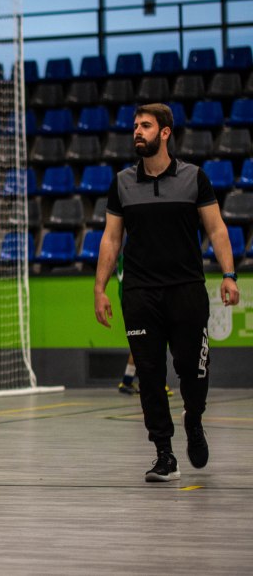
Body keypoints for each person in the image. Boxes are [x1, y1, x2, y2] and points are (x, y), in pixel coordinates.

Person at [94, 102, 239, 483]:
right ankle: (164, 453)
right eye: (135, 126)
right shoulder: (122, 183)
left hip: (186, 290)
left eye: (145, 125)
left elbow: (217, 229)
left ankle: (194, 419)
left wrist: (229, 275)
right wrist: (100, 288)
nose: (137, 132)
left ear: (165, 132)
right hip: (140, 292)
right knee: (149, 373)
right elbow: (111, 239)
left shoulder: (194, 178)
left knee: (193, 369)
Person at [116, 255, 173, 397]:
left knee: (141, 341)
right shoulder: (136, 255)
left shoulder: (125, 256)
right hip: (138, 301)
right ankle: (155, 383)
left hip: (130, 301)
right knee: (151, 340)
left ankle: (127, 381)